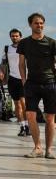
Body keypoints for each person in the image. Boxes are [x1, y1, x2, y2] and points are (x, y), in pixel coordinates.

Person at [18, 12, 56, 159]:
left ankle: (49, 150)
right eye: (36, 23)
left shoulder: (52, 43)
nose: (39, 25)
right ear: (30, 25)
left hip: (50, 83)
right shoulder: (24, 43)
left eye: (41, 23)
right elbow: (21, 63)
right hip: (31, 84)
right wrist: (23, 79)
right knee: (30, 115)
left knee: (50, 119)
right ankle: (37, 147)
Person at [3, 28, 29, 136]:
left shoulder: (26, 48)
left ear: (20, 37)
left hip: (23, 78)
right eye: (13, 36)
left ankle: (28, 125)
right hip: (12, 79)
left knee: (24, 103)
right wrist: (1, 72)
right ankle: (22, 126)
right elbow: (3, 63)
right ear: (10, 37)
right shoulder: (7, 49)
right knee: (17, 104)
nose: (15, 37)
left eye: (16, 36)